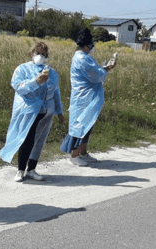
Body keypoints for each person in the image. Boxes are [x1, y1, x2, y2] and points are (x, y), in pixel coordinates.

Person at [0, 42, 64, 182]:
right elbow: (18, 87)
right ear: (31, 54)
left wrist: (59, 111)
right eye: (37, 53)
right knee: (26, 139)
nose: (40, 56)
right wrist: (36, 81)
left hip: (46, 111)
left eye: (44, 54)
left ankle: (32, 169)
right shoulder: (22, 69)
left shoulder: (52, 72)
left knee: (39, 141)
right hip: (28, 111)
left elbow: (56, 92)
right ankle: (20, 170)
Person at [60, 27, 116, 166]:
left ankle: (83, 152)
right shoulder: (81, 59)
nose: (92, 47)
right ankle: (74, 155)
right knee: (80, 126)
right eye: (91, 45)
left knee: (88, 125)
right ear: (87, 45)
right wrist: (108, 68)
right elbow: (96, 75)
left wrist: (103, 69)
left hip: (89, 98)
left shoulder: (84, 57)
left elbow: (95, 72)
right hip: (83, 98)